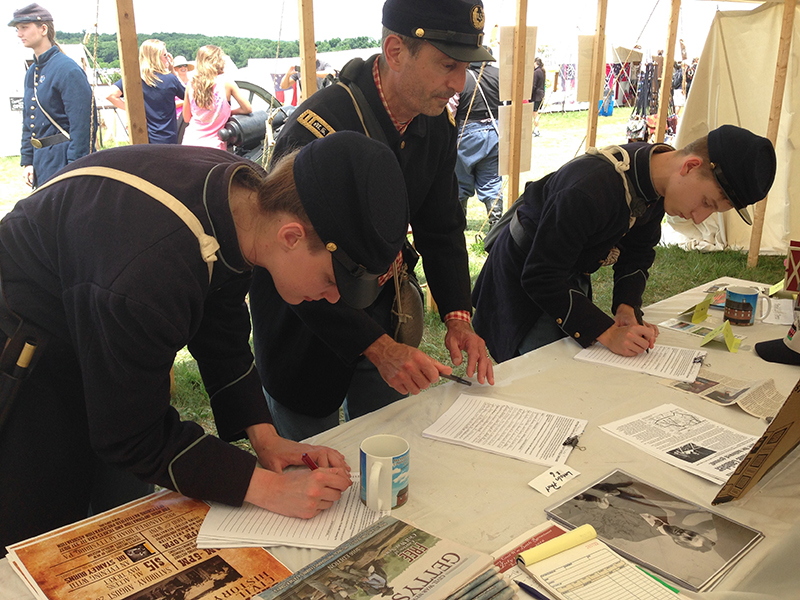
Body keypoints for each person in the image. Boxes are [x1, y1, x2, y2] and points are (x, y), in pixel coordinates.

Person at [0, 131, 411, 552]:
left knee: (114, 498)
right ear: (291, 236)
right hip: (27, 344)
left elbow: (221, 323)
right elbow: (132, 433)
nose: (334, 299)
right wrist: (265, 488)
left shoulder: (249, 199)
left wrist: (264, 437)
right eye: (330, 280)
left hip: (95, 306)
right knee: (34, 526)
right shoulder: (149, 275)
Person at [249, 0, 496, 442]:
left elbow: (440, 226)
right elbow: (286, 260)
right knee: (307, 459)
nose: (458, 84)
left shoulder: (435, 123)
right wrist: (378, 348)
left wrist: (458, 316)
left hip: (382, 314)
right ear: (396, 50)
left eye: (465, 68)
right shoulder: (317, 126)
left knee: (387, 445)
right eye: (447, 65)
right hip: (306, 330)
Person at [473, 124, 777, 362]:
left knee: (574, 361)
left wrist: (626, 307)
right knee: (540, 371)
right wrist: (605, 332)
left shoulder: (658, 179)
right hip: (524, 279)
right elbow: (540, 274)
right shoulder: (590, 188)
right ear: (689, 166)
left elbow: (638, 251)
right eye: (706, 202)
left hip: (562, 272)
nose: (699, 218)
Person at [10, 3, 96, 188]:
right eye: (18, 29)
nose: (19, 34)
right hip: (42, 161)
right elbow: (28, 121)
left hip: (64, 159)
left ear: (43, 29)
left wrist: (76, 167)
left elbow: (83, 126)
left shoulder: (67, 69)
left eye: (24, 27)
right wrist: (29, 161)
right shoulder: (32, 72)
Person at [451, 59, 503, 227]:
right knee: (492, 182)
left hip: (467, 133)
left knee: (459, 182)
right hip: (495, 131)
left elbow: (450, 110)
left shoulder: (461, 77)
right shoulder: (499, 74)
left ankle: (458, 224)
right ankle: (496, 226)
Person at [107, 39, 185, 144]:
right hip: (168, 137)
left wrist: (134, 112)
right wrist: (173, 71)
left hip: (143, 136)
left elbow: (110, 94)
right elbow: (187, 94)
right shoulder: (170, 79)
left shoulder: (135, 78)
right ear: (156, 58)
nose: (167, 58)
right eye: (165, 55)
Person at [182, 45, 252, 150]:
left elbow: (187, 118)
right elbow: (247, 108)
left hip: (190, 142)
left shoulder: (190, 84)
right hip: (214, 147)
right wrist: (228, 112)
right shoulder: (227, 84)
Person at [172, 54, 194, 142]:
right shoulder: (173, 83)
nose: (183, 68)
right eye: (179, 66)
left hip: (191, 117)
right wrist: (186, 101)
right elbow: (172, 104)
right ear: (175, 69)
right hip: (177, 118)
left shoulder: (192, 82)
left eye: (184, 65)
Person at [530, 57, 545, 137]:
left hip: (536, 96)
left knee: (535, 113)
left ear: (535, 63)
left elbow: (533, 85)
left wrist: (529, 94)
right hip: (540, 95)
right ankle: (536, 129)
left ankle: (536, 130)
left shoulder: (536, 72)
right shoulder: (542, 71)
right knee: (535, 113)